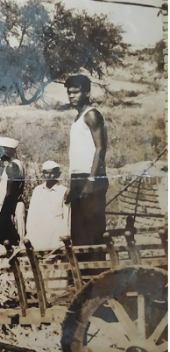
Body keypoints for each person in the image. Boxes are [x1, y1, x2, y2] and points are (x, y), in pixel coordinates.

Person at [65, 74, 108, 247]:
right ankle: (82, 272)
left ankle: (96, 272)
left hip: (92, 178)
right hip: (78, 179)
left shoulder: (92, 115)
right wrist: (71, 185)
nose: (72, 96)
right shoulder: (77, 118)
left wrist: (91, 180)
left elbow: (100, 148)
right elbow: (75, 155)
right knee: (78, 231)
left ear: (87, 92)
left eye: (76, 92)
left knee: (92, 230)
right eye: (69, 93)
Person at [25, 161, 69, 250]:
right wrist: (30, 233)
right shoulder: (37, 190)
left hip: (55, 233)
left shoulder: (63, 191)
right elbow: (32, 214)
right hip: (39, 232)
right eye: (46, 173)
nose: (49, 176)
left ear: (58, 174)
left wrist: (65, 235)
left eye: (52, 173)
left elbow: (66, 216)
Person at [0, 137, 26, 245]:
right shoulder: (18, 164)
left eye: (2, 150)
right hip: (11, 206)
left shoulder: (12, 166)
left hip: (10, 207)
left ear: (8, 150)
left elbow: (11, 193)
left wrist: (4, 216)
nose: (0, 154)